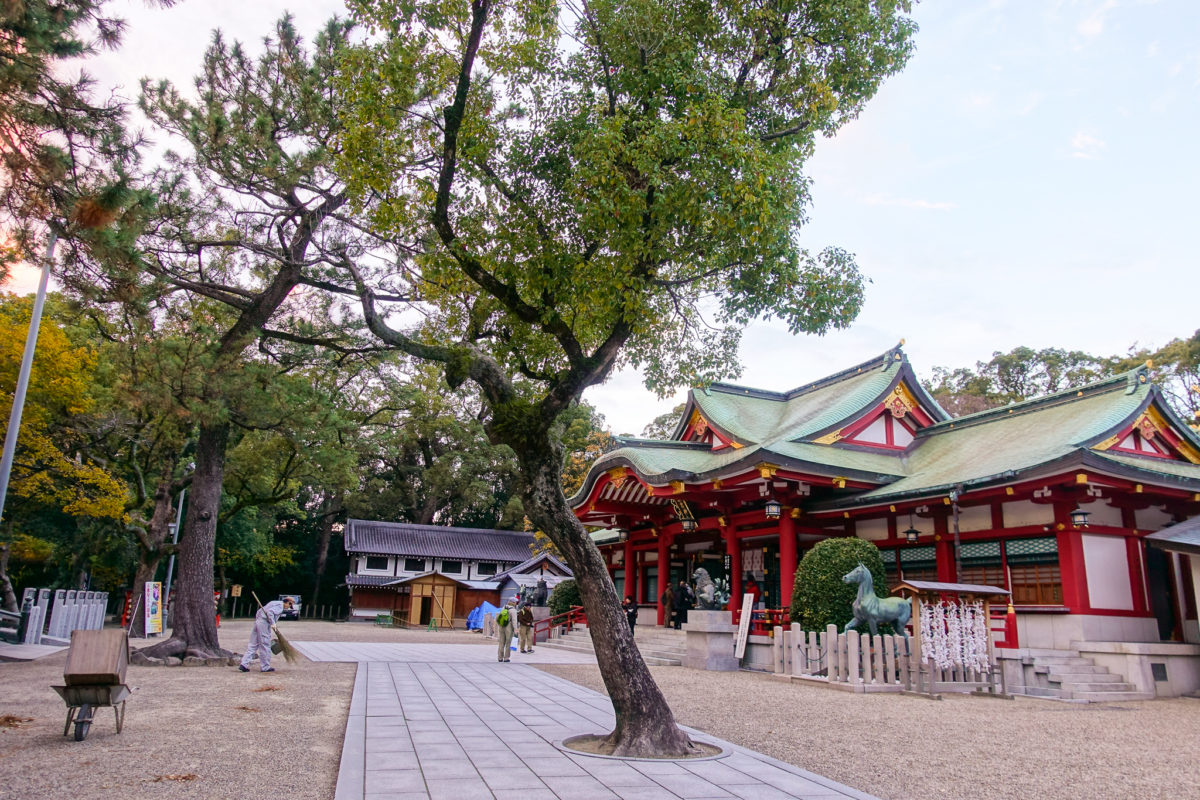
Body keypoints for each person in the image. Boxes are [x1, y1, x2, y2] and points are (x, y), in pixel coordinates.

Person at [238, 596, 294, 673]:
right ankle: (265, 667)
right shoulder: (280, 606)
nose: (288, 607)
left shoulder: (273, 602)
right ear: (288, 602)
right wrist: (273, 624)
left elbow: (259, 611)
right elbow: (270, 612)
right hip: (264, 623)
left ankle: (244, 664)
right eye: (289, 605)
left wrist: (259, 621)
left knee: (253, 645)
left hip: (259, 622)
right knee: (265, 645)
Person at [496, 598, 517, 662]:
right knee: (508, 642)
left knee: (501, 642)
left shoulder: (503, 607)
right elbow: (514, 620)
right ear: (514, 603)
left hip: (501, 626)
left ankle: (500, 657)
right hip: (509, 627)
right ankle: (506, 658)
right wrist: (515, 628)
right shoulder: (513, 610)